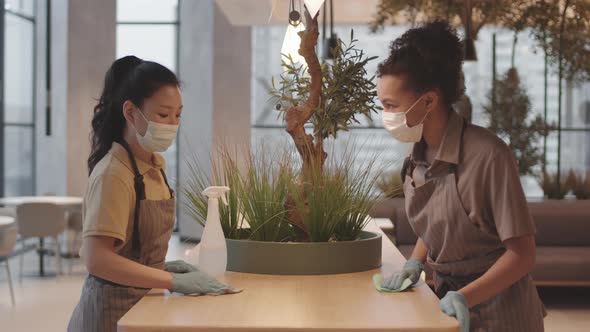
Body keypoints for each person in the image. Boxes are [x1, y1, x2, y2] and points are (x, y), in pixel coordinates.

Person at [376, 21, 545, 332]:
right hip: (447, 305)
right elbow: (439, 221)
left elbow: (523, 255)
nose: (386, 115)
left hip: (502, 312)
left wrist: (465, 297)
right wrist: (415, 262)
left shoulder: (489, 156)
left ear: (428, 100)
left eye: (391, 106)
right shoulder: (416, 156)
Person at [68, 56, 238, 332]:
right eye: (162, 115)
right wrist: (170, 280)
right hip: (110, 316)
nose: (172, 123)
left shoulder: (155, 166)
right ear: (131, 112)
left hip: (142, 309)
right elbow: (96, 258)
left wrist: (162, 267)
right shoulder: (114, 173)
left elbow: (131, 251)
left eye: (178, 115)